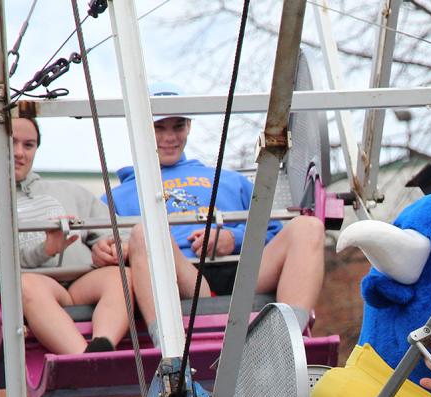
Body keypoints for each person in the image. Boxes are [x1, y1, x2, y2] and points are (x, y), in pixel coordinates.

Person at [98, 82, 325, 334]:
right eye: (158, 128)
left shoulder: (231, 180)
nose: (169, 137)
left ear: (189, 126)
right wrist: (107, 252)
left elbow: (271, 233)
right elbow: (100, 250)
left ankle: (288, 341)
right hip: (181, 280)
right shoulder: (116, 196)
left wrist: (233, 238)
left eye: (178, 126)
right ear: (140, 129)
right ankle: (167, 350)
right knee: (145, 233)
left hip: (242, 273)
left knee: (308, 227)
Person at [0, 116, 131, 354]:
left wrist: (109, 248)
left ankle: (103, 346)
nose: (20, 153)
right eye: (11, 142)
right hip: (35, 285)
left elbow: (118, 233)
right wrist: (46, 249)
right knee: (25, 285)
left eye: (29, 145)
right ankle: (83, 358)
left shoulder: (68, 191)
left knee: (121, 276)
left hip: (81, 281)